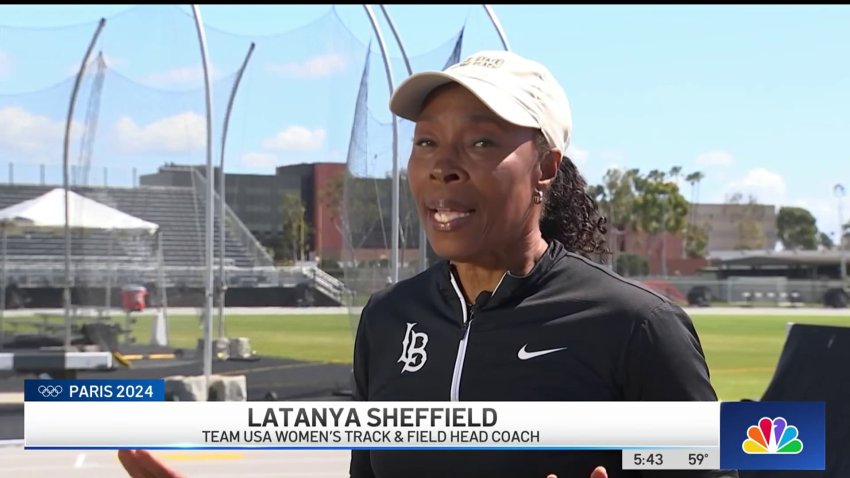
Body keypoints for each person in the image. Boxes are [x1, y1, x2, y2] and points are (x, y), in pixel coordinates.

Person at [118, 50, 738, 478]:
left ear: (546, 168)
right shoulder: (388, 319)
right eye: (426, 143)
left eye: (481, 141)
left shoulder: (636, 327)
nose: (443, 164)